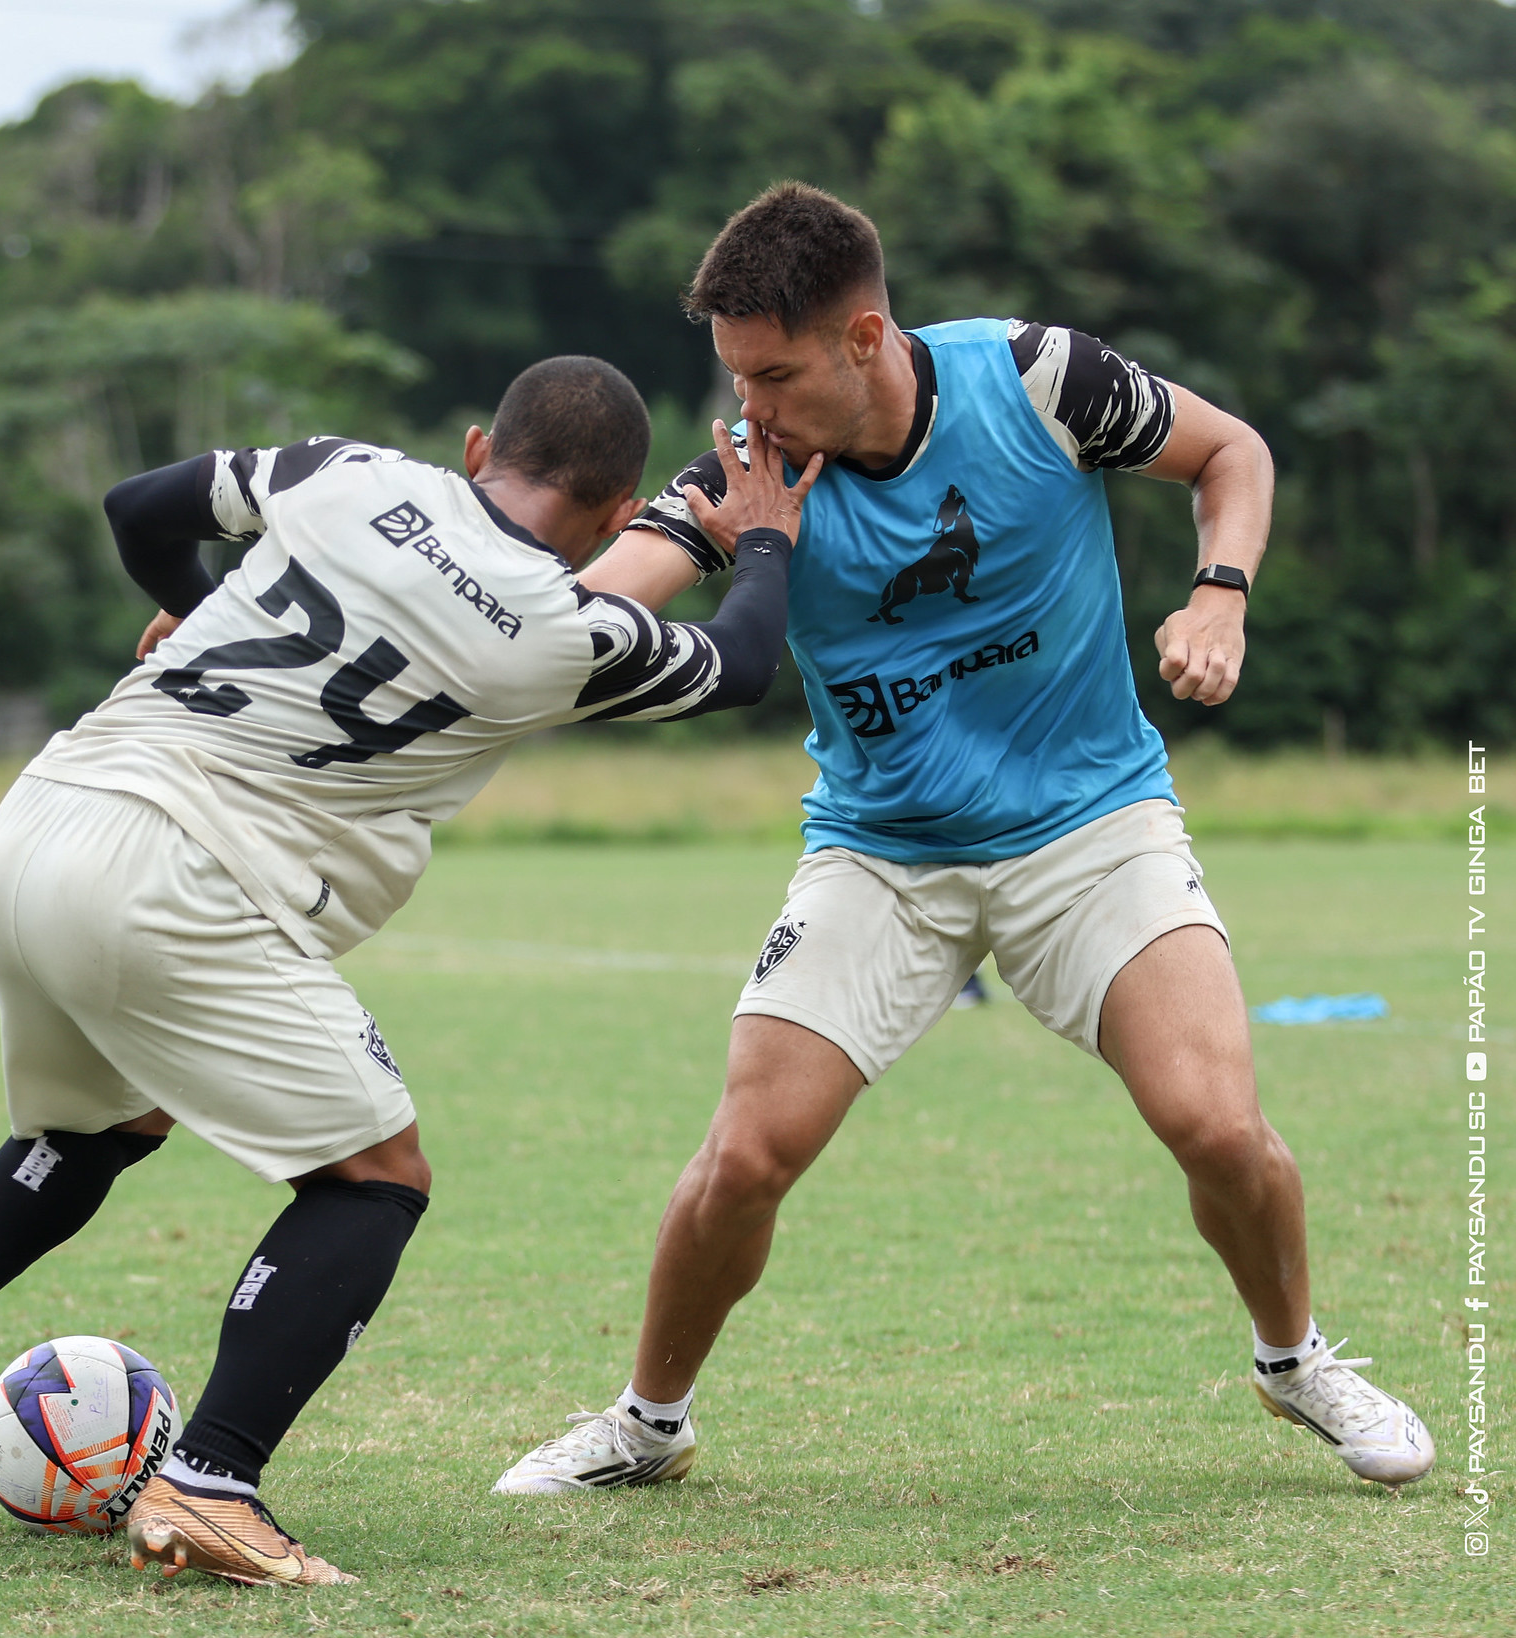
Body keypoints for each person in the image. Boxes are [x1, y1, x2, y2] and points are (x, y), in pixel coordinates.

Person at [495, 184, 1432, 1498]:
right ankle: (646, 1424)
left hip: (1091, 826)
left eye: (773, 376)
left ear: (863, 337)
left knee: (1217, 1126)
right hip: (880, 853)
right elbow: (582, 615)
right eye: (733, 379)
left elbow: (1232, 452)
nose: (749, 411)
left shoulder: (1039, 381)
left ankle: (1293, 1362)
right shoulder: (746, 477)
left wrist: (1218, 595)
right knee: (745, 1155)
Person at [0, 356, 823, 1586]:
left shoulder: (348, 472)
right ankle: (211, 1483)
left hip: (42, 820)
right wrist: (765, 538)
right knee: (374, 1178)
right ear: (616, 512)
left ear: (478, 448)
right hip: (177, 883)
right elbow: (740, 663)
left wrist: (199, 610)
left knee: (105, 1120)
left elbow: (138, 508)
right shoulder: (565, 636)